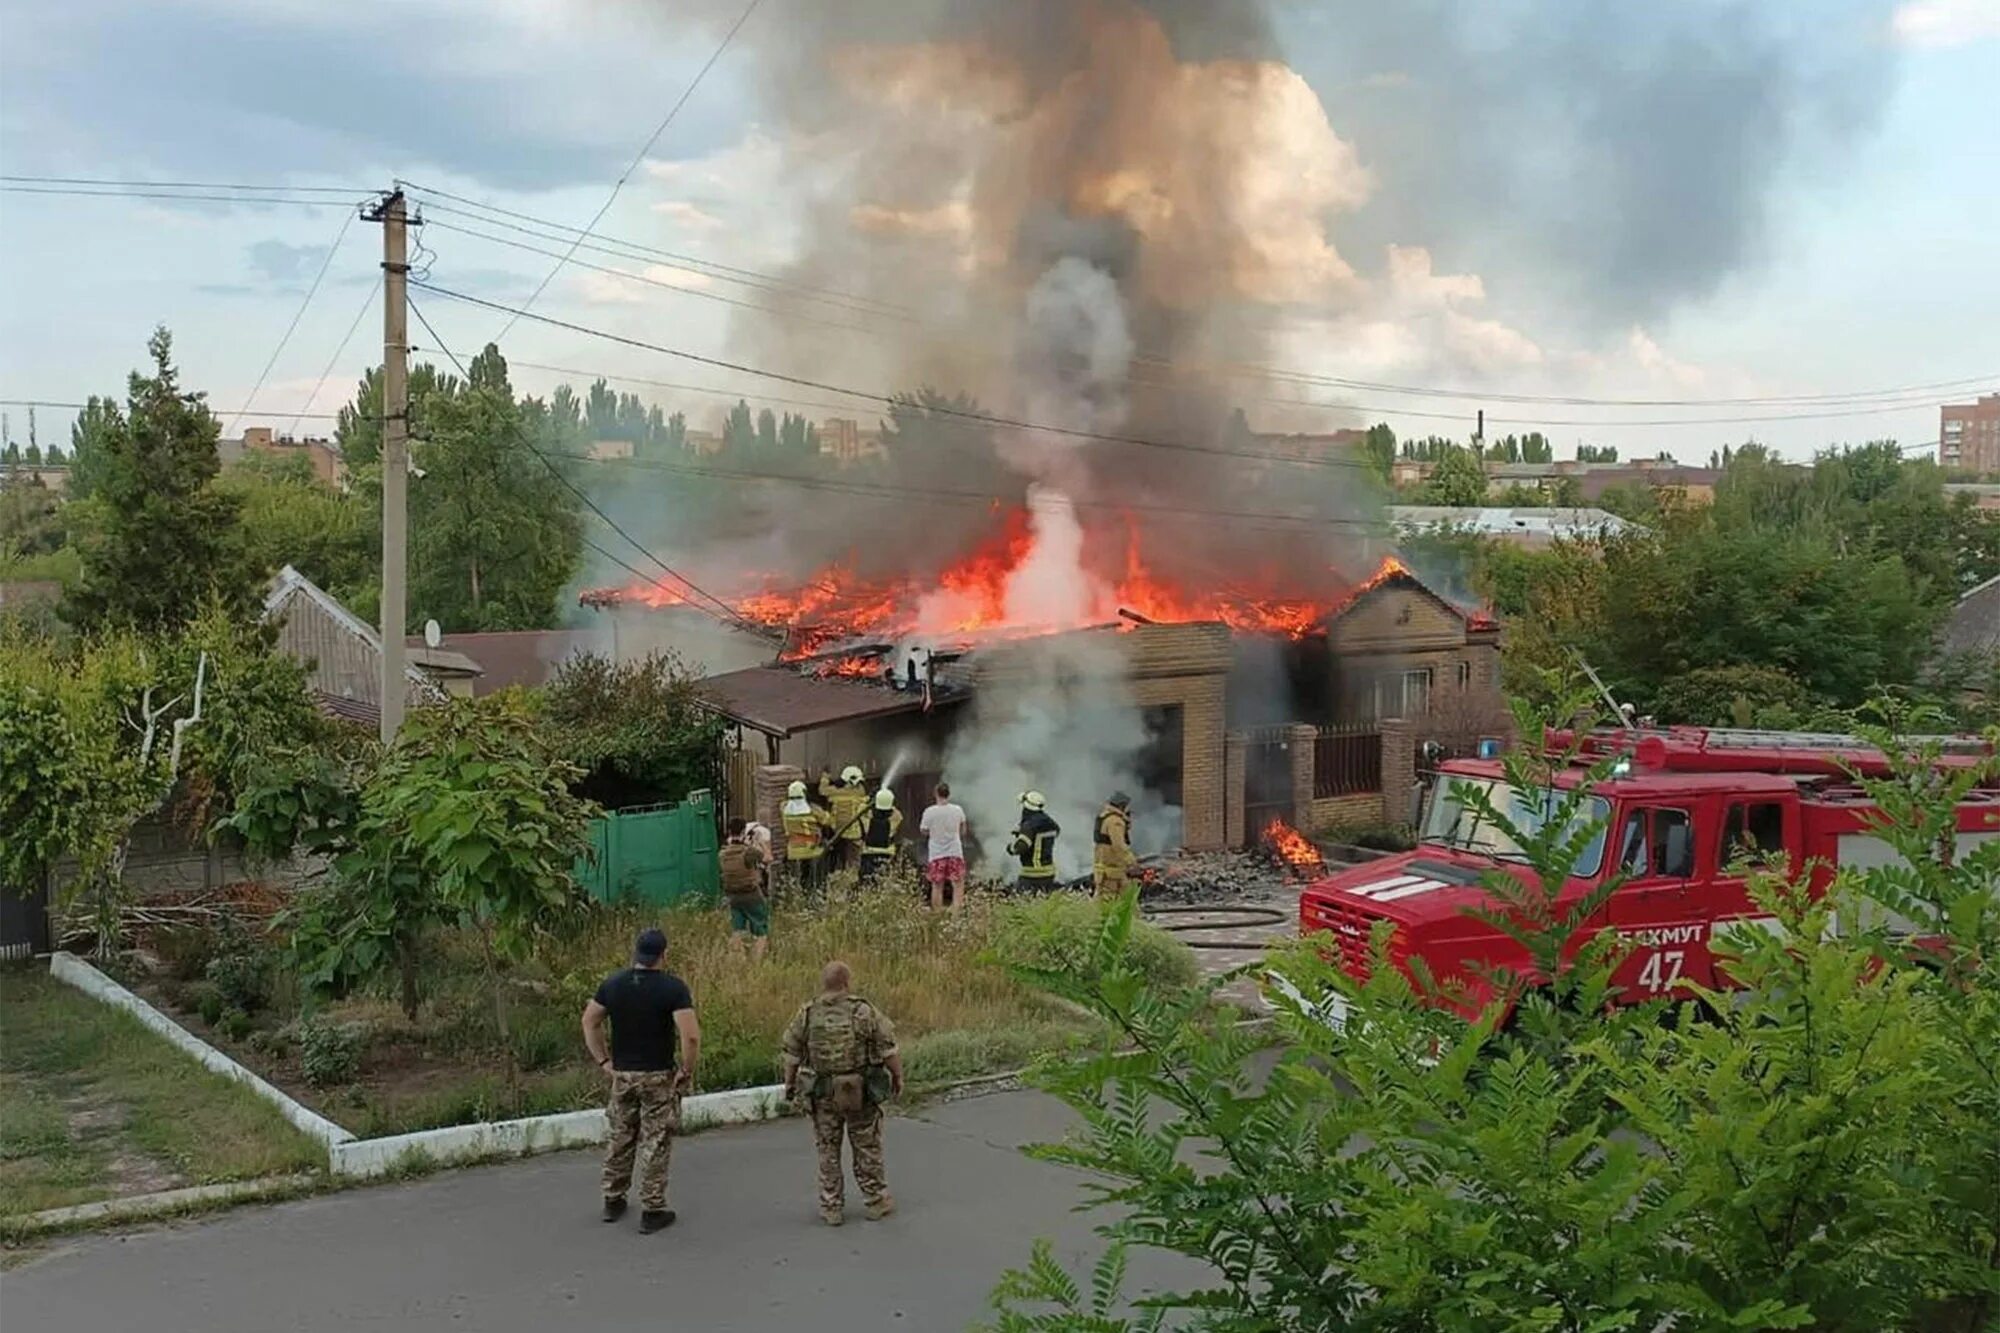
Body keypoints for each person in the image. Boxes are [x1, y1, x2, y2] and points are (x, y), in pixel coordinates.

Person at [581, 928, 700, 1234]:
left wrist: (604, 1060)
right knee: (655, 1140)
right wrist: (686, 1070)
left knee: (621, 1135)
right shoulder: (673, 989)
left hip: (623, 1074)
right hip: (658, 1074)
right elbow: (690, 1036)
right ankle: (652, 1208)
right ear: (664, 954)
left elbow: (590, 1020)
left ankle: (613, 1198)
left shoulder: (614, 985)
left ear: (635, 953)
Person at [780, 960, 904, 1226]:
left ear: (824, 984)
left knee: (827, 1148)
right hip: (859, 1091)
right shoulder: (863, 1011)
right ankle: (875, 1200)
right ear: (847, 983)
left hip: (822, 1093)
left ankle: (831, 1206)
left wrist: (789, 1085)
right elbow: (888, 1048)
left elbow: (791, 1054)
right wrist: (897, 1076)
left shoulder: (808, 1013)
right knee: (867, 1146)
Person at [720, 817, 772, 960]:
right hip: (751, 895)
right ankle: (756, 962)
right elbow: (768, 858)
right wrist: (760, 842)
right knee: (761, 930)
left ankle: (738, 961)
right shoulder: (748, 852)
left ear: (729, 832)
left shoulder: (723, 854)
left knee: (738, 930)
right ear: (744, 831)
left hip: (733, 897)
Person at [918, 782, 969, 911]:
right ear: (948, 794)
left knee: (937, 885)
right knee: (958, 885)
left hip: (936, 854)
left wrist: (935, 833)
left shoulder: (929, 812)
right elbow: (963, 830)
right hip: (955, 853)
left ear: (936, 794)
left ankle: (937, 914)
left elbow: (923, 831)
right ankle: (955, 914)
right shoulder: (958, 810)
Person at [781, 779, 833, 894]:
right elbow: (827, 821)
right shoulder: (812, 809)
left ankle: (801, 897)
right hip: (812, 850)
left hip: (793, 851)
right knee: (817, 880)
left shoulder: (784, 808)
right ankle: (817, 898)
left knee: (799, 880)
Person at [819, 765, 870, 872]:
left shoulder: (835, 792)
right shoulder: (860, 791)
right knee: (854, 859)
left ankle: (838, 874)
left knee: (839, 858)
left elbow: (822, 791)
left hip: (837, 830)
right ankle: (852, 877)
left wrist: (825, 777)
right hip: (854, 832)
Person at [1008, 791, 1061, 892]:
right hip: (1049, 873)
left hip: (1032, 875)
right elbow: (1054, 832)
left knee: (1022, 904)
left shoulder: (1029, 825)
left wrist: (1010, 848)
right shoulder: (1049, 822)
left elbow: (1021, 846)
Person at [1093, 790, 1137, 899]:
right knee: (1108, 901)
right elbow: (1118, 845)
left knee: (1127, 898)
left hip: (1110, 870)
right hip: (1111, 871)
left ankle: (1133, 916)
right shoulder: (1115, 822)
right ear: (1121, 806)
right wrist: (1131, 861)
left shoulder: (1106, 817)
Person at [859, 787, 902, 884]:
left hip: (868, 853)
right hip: (887, 853)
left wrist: (870, 798)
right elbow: (898, 814)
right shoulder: (894, 820)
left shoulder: (867, 821)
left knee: (866, 881)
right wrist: (887, 801)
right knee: (883, 881)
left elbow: (860, 808)